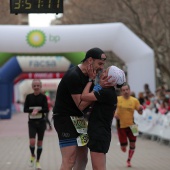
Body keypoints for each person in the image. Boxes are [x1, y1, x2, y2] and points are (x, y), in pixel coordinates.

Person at [52, 47, 109, 170]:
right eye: (100, 63)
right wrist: (98, 90)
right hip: (65, 119)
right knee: (70, 160)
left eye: (103, 64)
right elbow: (81, 105)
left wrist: (93, 83)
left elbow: (89, 99)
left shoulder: (91, 76)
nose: (101, 67)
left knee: (83, 158)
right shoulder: (74, 75)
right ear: (90, 60)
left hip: (79, 120)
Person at [80, 65, 126, 170]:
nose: (103, 72)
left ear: (110, 78)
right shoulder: (109, 92)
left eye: (106, 72)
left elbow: (84, 96)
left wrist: (91, 80)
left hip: (99, 134)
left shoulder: (106, 92)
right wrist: (98, 85)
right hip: (100, 133)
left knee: (98, 168)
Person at [114, 83, 143, 167]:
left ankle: (129, 160)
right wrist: (114, 114)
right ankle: (123, 145)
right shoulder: (118, 99)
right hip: (121, 126)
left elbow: (140, 112)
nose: (126, 91)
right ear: (121, 92)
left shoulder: (134, 100)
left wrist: (141, 109)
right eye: (123, 90)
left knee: (133, 144)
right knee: (123, 148)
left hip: (133, 126)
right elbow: (111, 109)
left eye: (127, 90)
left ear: (129, 90)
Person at [24, 79, 49, 170]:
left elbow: (46, 109)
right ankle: (32, 155)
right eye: (34, 85)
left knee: (39, 143)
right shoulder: (29, 97)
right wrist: (32, 111)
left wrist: (38, 110)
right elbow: (25, 109)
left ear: (40, 86)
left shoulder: (43, 97)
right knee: (32, 141)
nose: (36, 87)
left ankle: (38, 161)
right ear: (32, 87)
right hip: (32, 122)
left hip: (41, 122)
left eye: (38, 85)